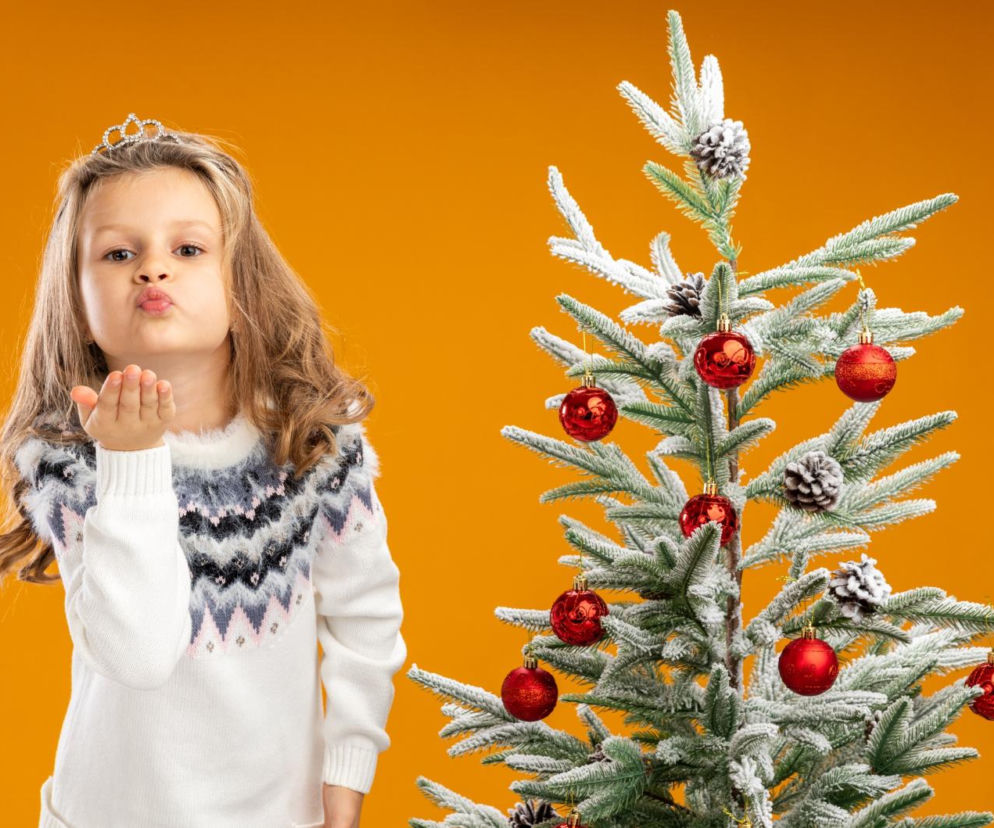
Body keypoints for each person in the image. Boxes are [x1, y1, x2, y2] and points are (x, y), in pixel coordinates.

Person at [0, 114, 407, 827]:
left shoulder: (312, 444)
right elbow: (139, 655)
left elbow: (365, 619)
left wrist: (347, 774)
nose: (153, 268)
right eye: (118, 254)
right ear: (79, 300)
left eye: (188, 248)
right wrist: (130, 462)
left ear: (238, 279)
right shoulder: (70, 458)